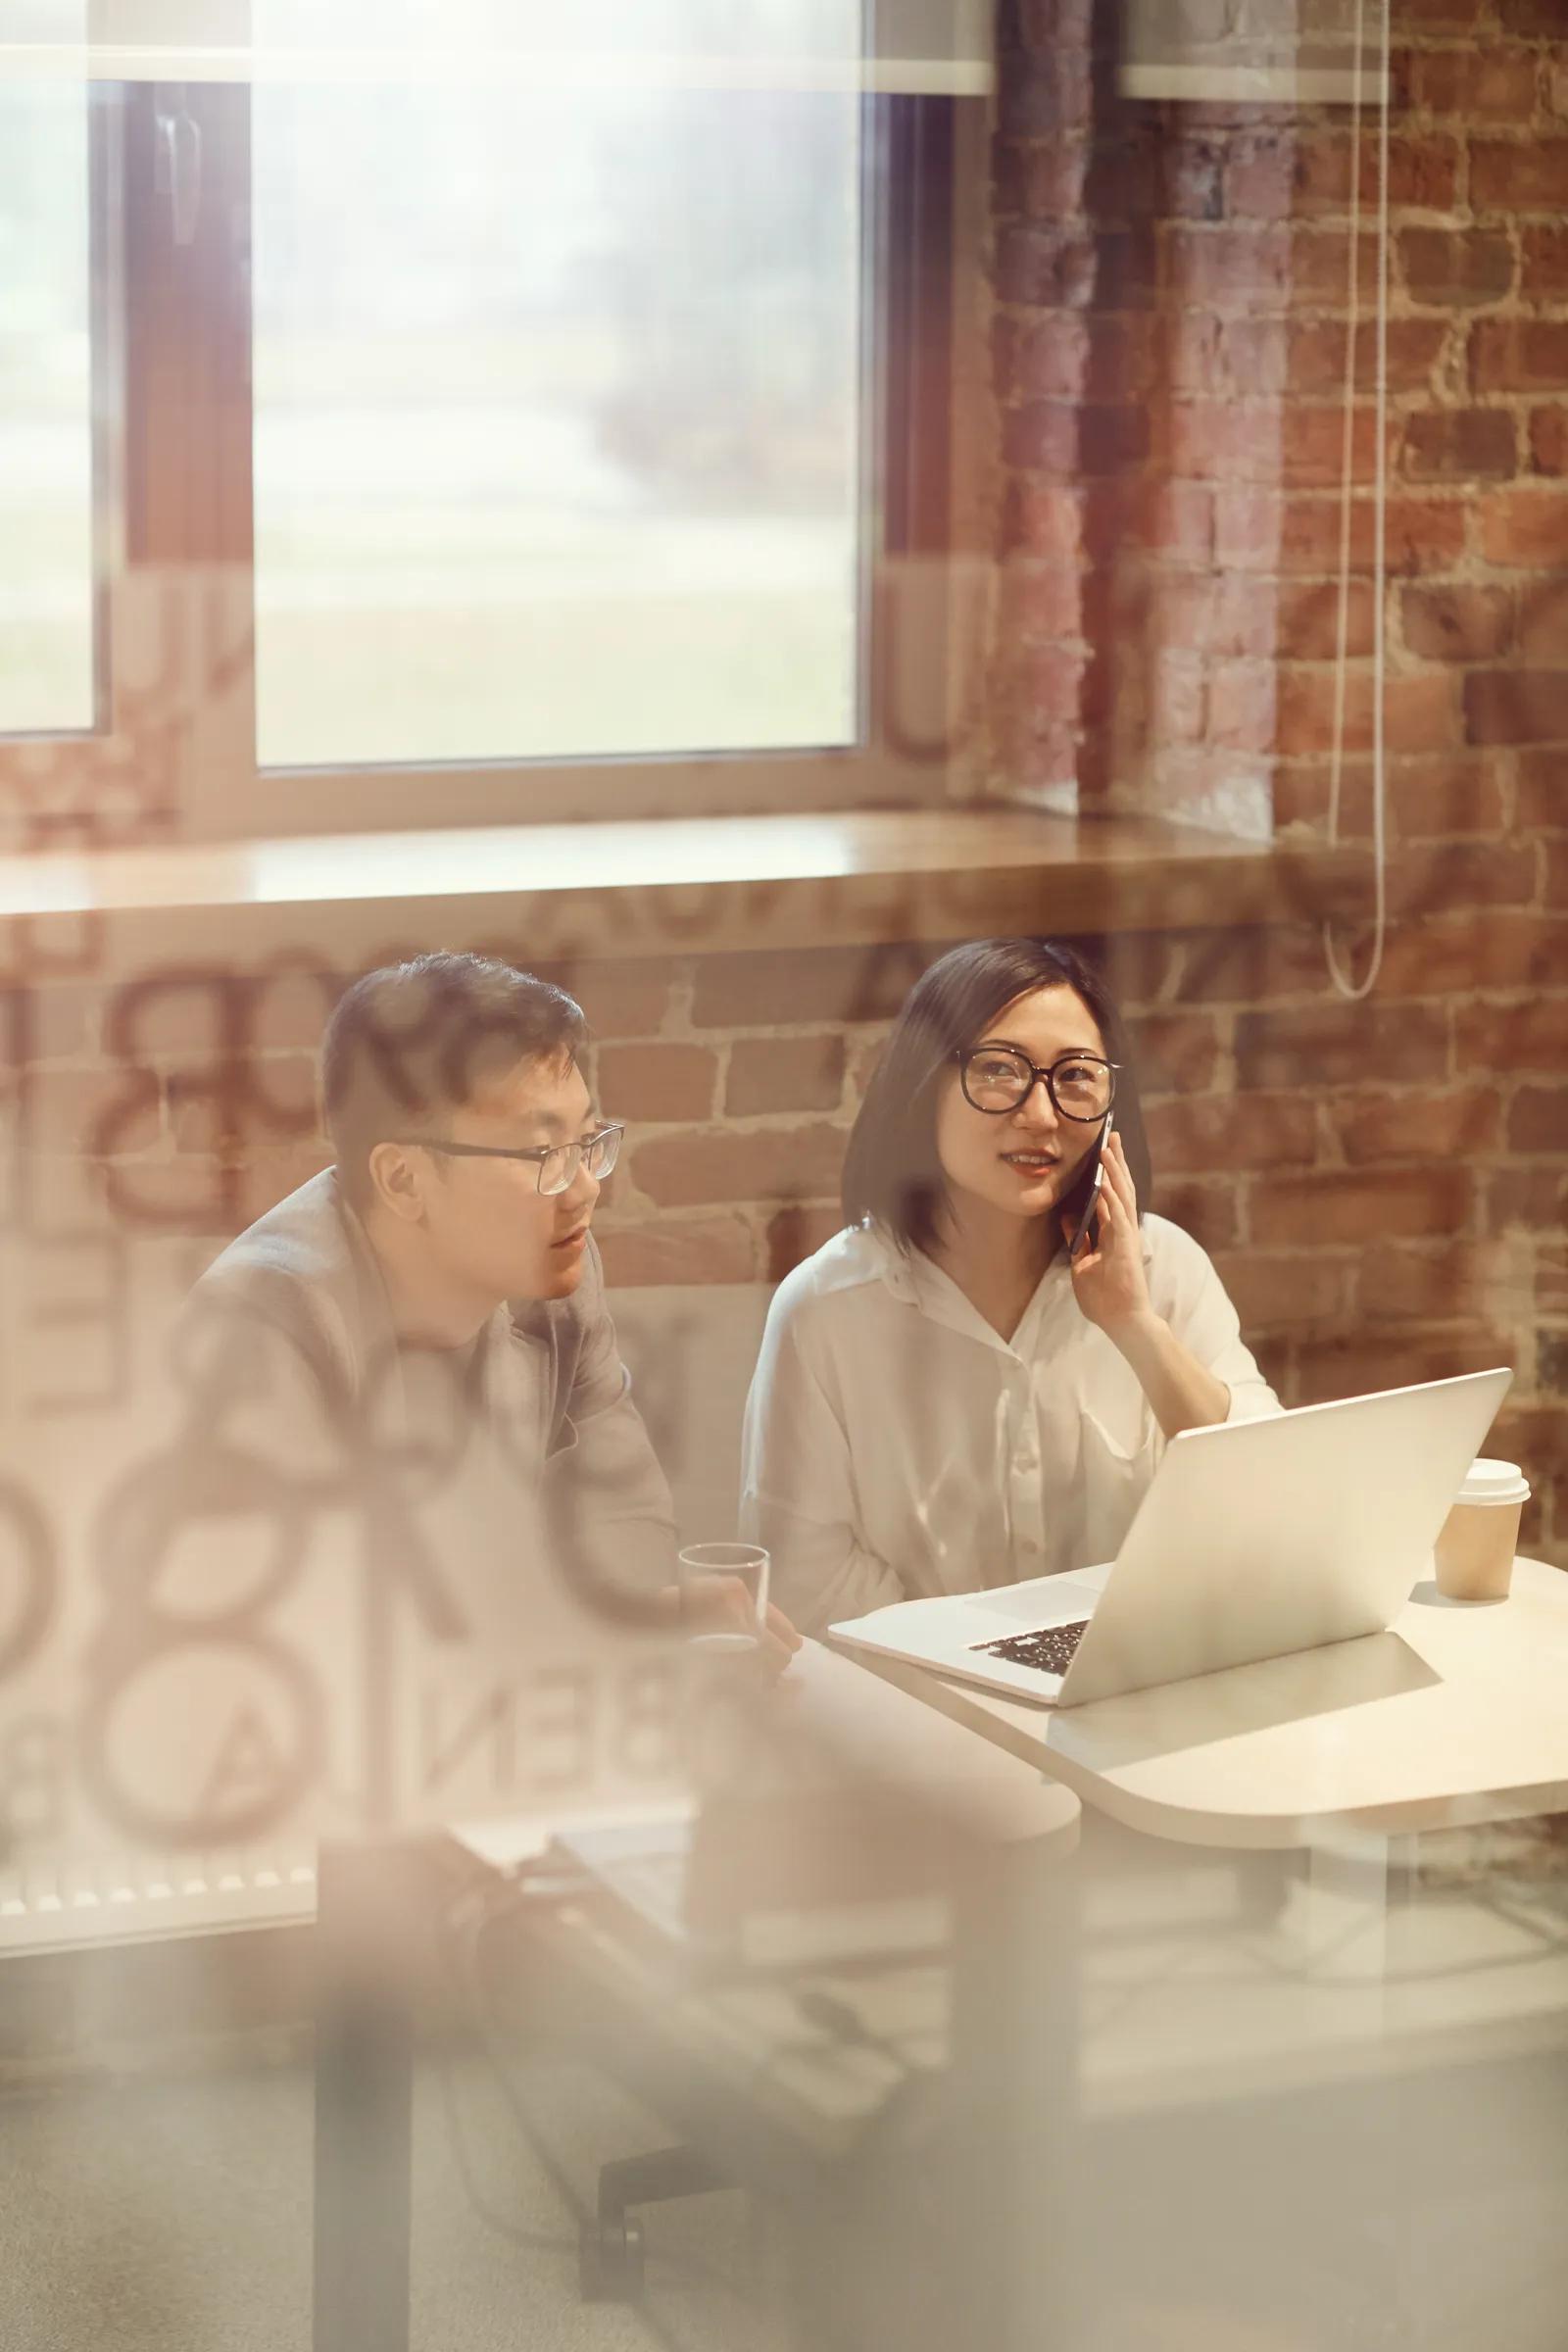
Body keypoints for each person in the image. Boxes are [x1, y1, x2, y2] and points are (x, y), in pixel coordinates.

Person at [170, 951, 800, 1664]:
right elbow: (311, 1648)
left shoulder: (555, 1265)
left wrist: (659, 1616)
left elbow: (628, 1517)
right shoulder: (261, 1329)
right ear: (403, 1180)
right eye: (541, 1156)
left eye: (588, 1142)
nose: (585, 1190)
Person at [741, 938, 1280, 1636]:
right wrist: (992, 1659)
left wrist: (1136, 1327)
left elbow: (1269, 1497)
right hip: (914, 1712)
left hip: (1140, 1681)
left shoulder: (1163, 1268)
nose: (1042, 1114)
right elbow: (807, 1579)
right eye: (999, 1069)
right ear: (923, 1084)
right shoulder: (826, 1310)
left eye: (1077, 1077)